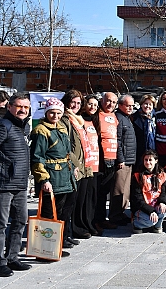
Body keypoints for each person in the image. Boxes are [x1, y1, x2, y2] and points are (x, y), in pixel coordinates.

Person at [0, 93, 32, 277]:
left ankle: (12, 257)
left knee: (20, 220)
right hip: (3, 184)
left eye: (26, 107)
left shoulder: (21, 128)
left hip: (20, 184)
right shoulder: (3, 126)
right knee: (0, 224)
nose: (22, 110)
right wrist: (2, 171)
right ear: (9, 107)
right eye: (19, 106)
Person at [31, 97, 76, 250]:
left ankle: (60, 242)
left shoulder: (61, 128)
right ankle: (46, 248)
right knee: (49, 214)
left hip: (65, 177)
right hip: (52, 178)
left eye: (58, 113)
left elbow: (67, 152)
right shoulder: (41, 131)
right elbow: (37, 157)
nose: (55, 116)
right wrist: (43, 179)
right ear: (46, 113)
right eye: (52, 113)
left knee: (64, 212)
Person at [60, 90, 98, 242]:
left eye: (78, 103)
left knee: (77, 200)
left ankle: (70, 232)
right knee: (70, 203)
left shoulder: (78, 120)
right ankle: (68, 232)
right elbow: (67, 146)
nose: (75, 105)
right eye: (73, 102)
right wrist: (75, 164)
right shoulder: (65, 119)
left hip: (83, 165)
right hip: (74, 166)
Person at [92, 92, 119, 232]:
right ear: (102, 101)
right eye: (108, 101)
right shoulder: (96, 115)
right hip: (99, 160)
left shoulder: (114, 116)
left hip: (112, 158)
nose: (111, 104)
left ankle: (102, 219)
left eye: (114, 102)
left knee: (104, 192)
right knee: (96, 193)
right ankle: (95, 221)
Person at [109, 94, 137, 226]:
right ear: (120, 105)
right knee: (119, 189)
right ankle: (115, 216)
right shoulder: (118, 119)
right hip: (123, 161)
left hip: (129, 160)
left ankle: (120, 213)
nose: (131, 108)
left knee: (125, 190)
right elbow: (117, 140)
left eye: (132, 105)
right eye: (128, 105)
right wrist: (120, 159)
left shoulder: (127, 118)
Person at [130, 150, 166, 234]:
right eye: (146, 160)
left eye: (150, 160)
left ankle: (157, 226)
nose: (148, 162)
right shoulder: (137, 176)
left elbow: (163, 193)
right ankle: (136, 224)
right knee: (150, 221)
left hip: (155, 205)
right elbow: (137, 198)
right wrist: (150, 211)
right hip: (141, 207)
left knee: (165, 210)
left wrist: (162, 202)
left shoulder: (162, 175)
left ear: (156, 161)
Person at [78, 94, 100, 237]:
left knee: (92, 197)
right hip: (83, 165)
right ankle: (79, 226)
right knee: (82, 198)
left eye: (96, 105)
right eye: (90, 104)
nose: (93, 107)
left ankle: (89, 223)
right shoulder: (80, 121)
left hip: (95, 164)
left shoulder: (95, 121)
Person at [132, 94, 157, 165]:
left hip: (152, 150)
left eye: (150, 104)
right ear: (141, 104)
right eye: (146, 104)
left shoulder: (155, 117)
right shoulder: (134, 117)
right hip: (139, 150)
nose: (148, 106)